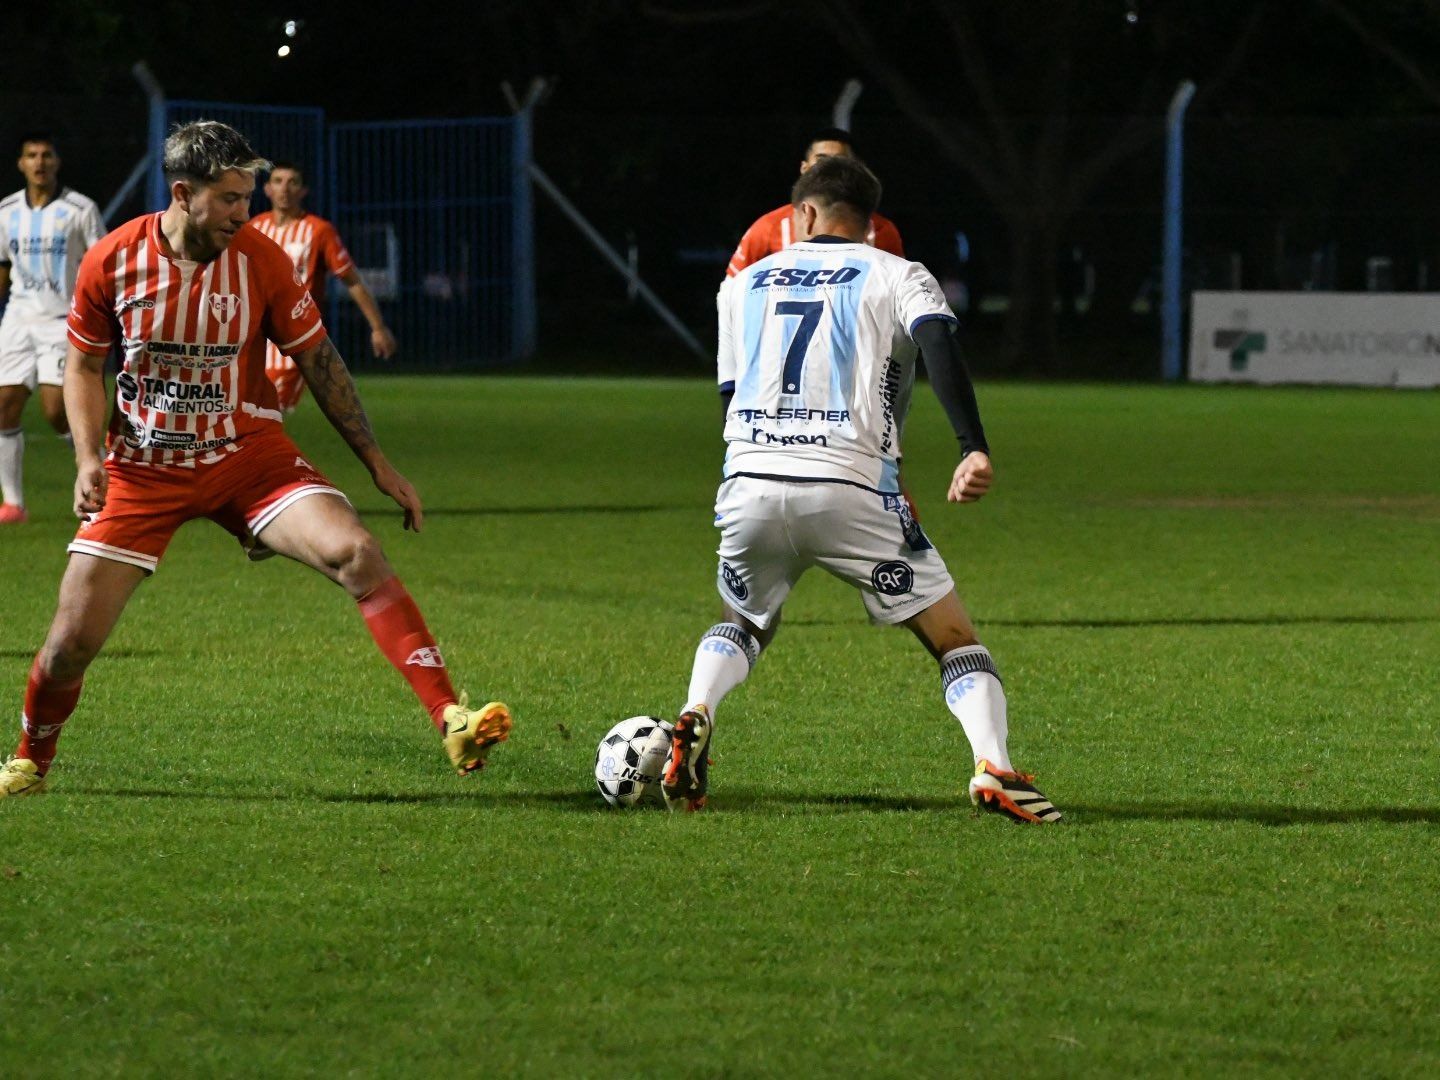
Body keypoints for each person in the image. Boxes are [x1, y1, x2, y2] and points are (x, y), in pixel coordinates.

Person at [0, 121, 509, 798]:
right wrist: (88, 459)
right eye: (232, 198)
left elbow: (320, 361)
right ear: (184, 194)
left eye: (248, 195)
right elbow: (85, 366)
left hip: (248, 454)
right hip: (144, 468)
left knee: (356, 551)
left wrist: (376, 463)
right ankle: (32, 758)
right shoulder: (112, 259)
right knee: (69, 643)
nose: (246, 211)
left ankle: (451, 717)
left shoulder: (262, 260)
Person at [662, 155, 1060, 823]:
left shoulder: (745, 282)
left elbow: (729, 395)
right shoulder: (898, 273)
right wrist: (972, 446)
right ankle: (994, 766)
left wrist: (746, 473)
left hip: (751, 483)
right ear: (868, 223)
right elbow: (939, 344)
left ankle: (696, 711)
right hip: (850, 490)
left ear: (804, 215)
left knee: (745, 620)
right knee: (955, 638)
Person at [0, 133, 107, 523]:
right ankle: (13, 503)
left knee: (56, 412)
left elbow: (101, 263)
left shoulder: (81, 209)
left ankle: (108, 477)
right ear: (21, 163)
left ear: (57, 161)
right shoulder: (6, 210)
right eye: (31, 155)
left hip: (64, 320)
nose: (39, 162)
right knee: (4, 404)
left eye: (46, 154)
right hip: (17, 318)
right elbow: (3, 267)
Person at [246, 161, 397, 412]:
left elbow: (352, 280)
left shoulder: (319, 231)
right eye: (278, 181)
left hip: (292, 342)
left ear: (303, 191)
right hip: (253, 339)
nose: (285, 188)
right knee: (246, 419)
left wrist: (378, 327)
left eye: (292, 182)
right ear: (267, 189)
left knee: (263, 416)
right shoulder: (254, 229)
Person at [724, 127, 904, 280]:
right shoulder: (768, 227)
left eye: (840, 161)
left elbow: (899, 289)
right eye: (822, 160)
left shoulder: (881, 230)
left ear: (854, 168)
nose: (830, 169)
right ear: (804, 168)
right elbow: (731, 289)